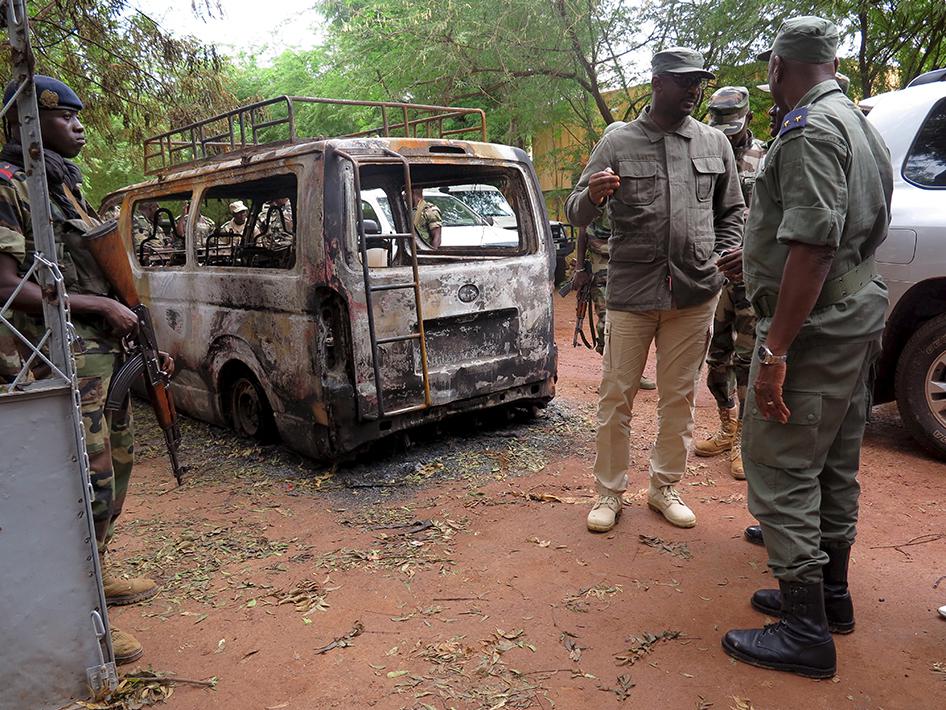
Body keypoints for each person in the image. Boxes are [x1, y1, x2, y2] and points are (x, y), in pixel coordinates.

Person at [718, 17, 893, 679]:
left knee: (784, 463)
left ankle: (803, 630)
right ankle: (832, 598)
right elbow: (841, 228)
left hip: (815, 328)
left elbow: (816, 244)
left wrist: (776, 351)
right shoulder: (855, 119)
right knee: (836, 457)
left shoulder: (808, 129)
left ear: (777, 66)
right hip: (855, 311)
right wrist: (758, 256)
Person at [0, 76, 172, 664]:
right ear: (29, 123)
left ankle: (94, 571)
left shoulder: (63, 188)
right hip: (49, 356)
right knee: (81, 480)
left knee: (115, 469)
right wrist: (100, 306)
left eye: (79, 116)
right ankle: (80, 611)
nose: (79, 126)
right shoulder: (9, 188)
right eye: (66, 116)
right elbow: (5, 288)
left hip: (98, 354)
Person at [565, 47, 744, 533]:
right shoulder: (618, 142)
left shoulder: (714, 143)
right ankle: (608, 492)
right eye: (684, 82)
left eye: (699, 83)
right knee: (616, 395)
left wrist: (724, 254)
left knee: (678, 397)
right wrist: (593, 195)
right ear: (658, 83)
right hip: (633, 292)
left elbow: (732, 211)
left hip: (695, 291)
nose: (694, 91)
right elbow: (574, 211)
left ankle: (664, 487)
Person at [695, 87, 766, 479]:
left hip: (751, 278)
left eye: (733, 127)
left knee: (745, 360)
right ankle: (727, 427)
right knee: (716, 361)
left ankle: (743, 442)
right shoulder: (705, 153)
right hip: (714, 274)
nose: (726, 133)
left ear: (748, 120)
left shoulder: (766, 157)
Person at [573, 121, 656, 391]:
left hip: (630, 261)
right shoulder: (598, 183)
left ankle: (632, 372)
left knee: (635, 318)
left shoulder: (633, 181)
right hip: (601, 262)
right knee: (607, 319)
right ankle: (612, 375)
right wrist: (579, 268)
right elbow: (582, 230)